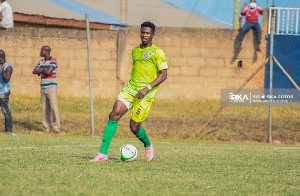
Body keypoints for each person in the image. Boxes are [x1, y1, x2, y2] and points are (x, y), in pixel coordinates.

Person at [90, 21, 168, 162]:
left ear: (153, 35)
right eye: (142, 32)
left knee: (134, 127)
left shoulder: (158, 52)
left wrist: (146, 88)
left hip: (146, 93)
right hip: (130, 89)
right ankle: (102, 154)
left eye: (147, 33)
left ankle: (148, 144)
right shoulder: (135, 51)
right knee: (114, 114)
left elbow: (163, 75)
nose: (144, 35)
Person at [32, 46, 60, 133]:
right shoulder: (41, 61)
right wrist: (44, 70)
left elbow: (49, 72)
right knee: (44, 108)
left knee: (53, 107)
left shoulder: (53, 61)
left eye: (42, 50)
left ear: (47, 51)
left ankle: (56, 128)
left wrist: (41, 70)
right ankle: (46, 128)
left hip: (51, 87)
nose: (40, 52)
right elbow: (34, 71)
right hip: (43, 87)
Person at [0, 50, 13, 132]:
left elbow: (6, 79)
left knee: (6, 112)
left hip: (3, 93)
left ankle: (8, 130)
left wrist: (2, 68)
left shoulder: (8, 67)